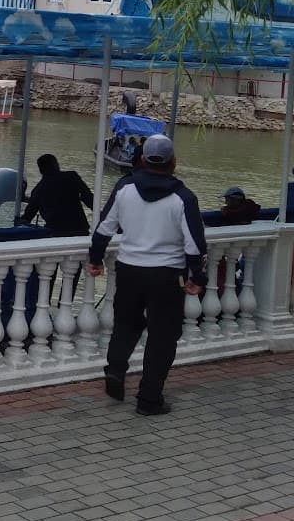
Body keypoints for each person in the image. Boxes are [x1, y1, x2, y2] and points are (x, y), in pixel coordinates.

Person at [88, 135, 206, 416]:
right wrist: (197, 277)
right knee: (163, 337)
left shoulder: (125, 188)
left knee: (126, 324)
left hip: (129, 270)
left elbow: (104, 228)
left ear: (141, 159)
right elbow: (194, 244)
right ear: (172, 163)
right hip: (167, 275)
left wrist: (96, 259)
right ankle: (149, 399)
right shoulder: (183, 197)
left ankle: (116, 368)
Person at [19, 154, 95, 235]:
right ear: (56, 165)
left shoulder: (37, 190)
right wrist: (102, 215)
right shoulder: (71, 176)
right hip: (80, 229)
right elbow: (88, 197)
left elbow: (28, 216)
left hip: (56, 232)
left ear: (40, 170)